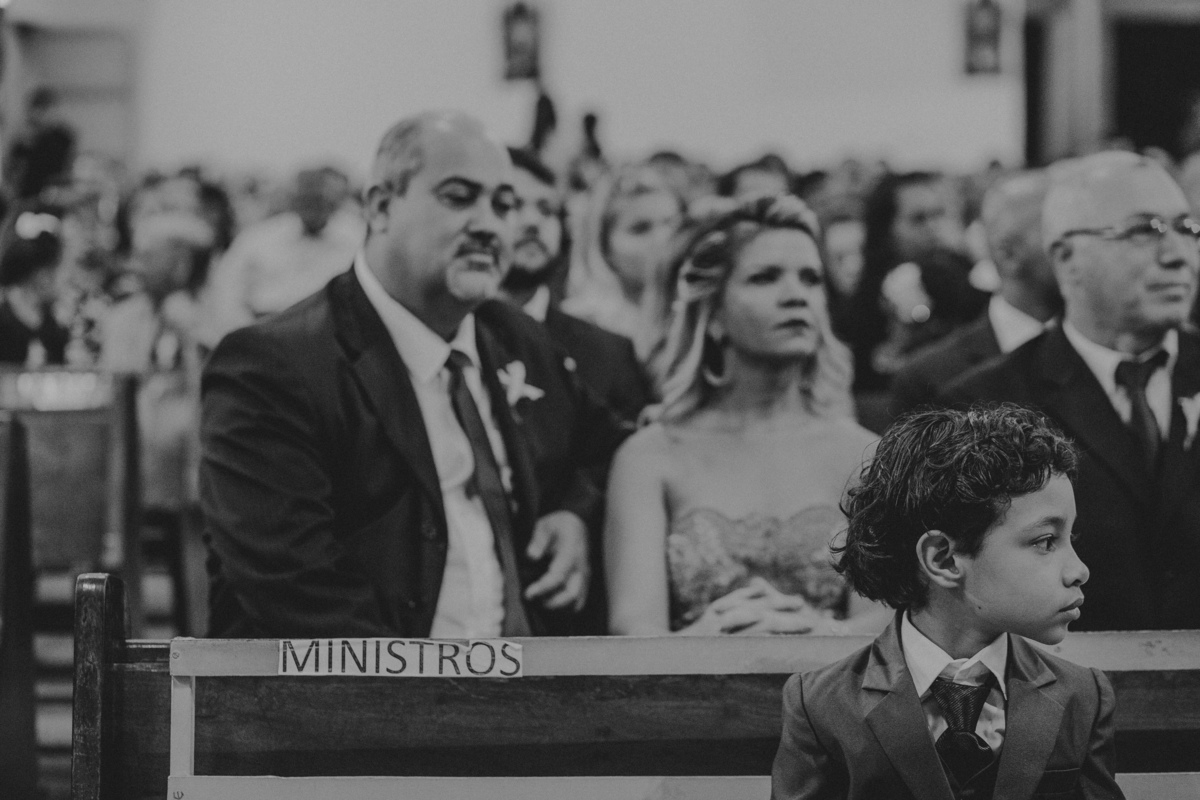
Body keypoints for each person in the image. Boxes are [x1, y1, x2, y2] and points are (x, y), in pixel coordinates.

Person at [201, 111, 626, 638]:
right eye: (458, 198)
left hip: (519, 672)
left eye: (503, 205)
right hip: (355, 680)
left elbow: (607, 445)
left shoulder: (513, 337)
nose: (489, 225)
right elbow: (292, 585)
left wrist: (575, 514)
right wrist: (431, 683)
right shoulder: (273, 367)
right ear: (381, 207)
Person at [772, 404, 1123, 800]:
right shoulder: (822, 704)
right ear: (943, 559)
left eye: (1070, 539)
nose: (1079, 570)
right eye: (1045, 542)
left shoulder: (1083, 695)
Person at [605, 195, 886, 636]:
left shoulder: (866, 457)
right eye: (764, 278)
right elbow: (633, 632)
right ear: (713, 313)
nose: (796, 296)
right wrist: (711, 640)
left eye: (811, 279)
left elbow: (887, 625)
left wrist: (808, 633)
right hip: (688, 679)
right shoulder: (649, 457)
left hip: (832, 680)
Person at [942, 151, 1200, 631]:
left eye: (1187, 229)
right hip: (1058, 671)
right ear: (1066, 258)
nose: (1178, 255)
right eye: (1142, 231)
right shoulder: (984, 406)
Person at [890, 170, 1060, 418]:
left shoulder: (1102, 345)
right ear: (1008, 254)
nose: (1074, 250)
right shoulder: (930, 379)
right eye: (1057, 236)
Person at [499, 147, 650, 422]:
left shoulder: (608, 353)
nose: (533, 222)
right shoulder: (452, 335)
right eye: (512, 205)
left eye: (547, 209)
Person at [205, 167, 364, 341]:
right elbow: (227, 290)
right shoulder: (259, 237)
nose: (312, 207)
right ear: (293, 199)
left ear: (334, 202)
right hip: (263, 332)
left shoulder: (356, 239)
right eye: (306, 199)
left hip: (330, 338)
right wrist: (248, 336)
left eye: (319, 200)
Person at [563, 162, 684, 366]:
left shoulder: (700, 317)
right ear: (604, 249)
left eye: (672, 223)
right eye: (641, 229)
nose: (663, 239)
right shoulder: (578, 328)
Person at [0, 203, 70, 365]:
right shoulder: (4, 318)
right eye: (58, 269)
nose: (64, 278)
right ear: (41, 274)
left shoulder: (55, 323)